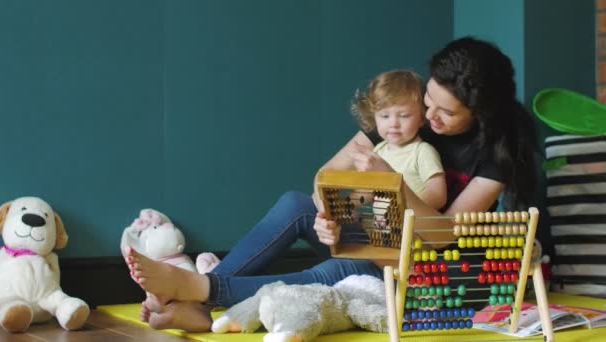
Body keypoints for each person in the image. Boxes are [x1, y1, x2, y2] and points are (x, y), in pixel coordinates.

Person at [125, 36, 538, 332]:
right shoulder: (409, 117)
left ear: (479, 112)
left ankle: (201, 289)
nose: (429, 116)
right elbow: (325, 177)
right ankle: (195, 302)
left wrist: (394, 183)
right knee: (295, 204)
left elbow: (442, 235)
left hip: (430, 269)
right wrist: (328, 214)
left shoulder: (499, 151)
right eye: (428, 99)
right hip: (380, 237)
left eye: (445, 112)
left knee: (346, 266)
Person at [351, 69, 446, 212]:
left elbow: (438, 197)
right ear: (374, 117)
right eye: (384, 116)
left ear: (421, 117)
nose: (393, 123)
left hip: (413, 232)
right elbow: (367, 192)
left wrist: (402, 207)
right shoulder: (378, 152)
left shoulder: (422, 152)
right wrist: (346, 206)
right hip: (382, 231)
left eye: (404, 115)